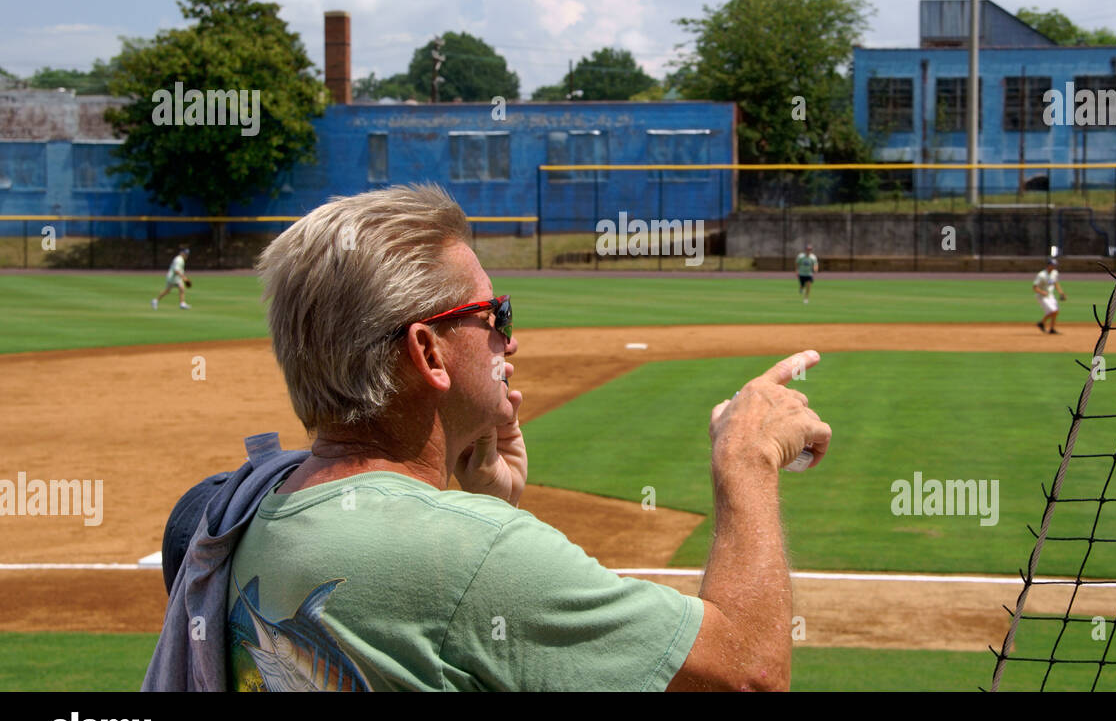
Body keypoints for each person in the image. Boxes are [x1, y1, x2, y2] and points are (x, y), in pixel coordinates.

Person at [142, 184, 831, 692]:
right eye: (494, 314)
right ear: (429, 353)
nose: (511, 337)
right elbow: (751, 671)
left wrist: (481, 505)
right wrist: (748, 456)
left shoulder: (255, 508)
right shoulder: (474, 556)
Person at [1033, 258, 1068, 334]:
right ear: (1048, 265)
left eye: (1055, 265)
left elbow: (1056, 283)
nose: (1054, 266)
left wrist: (1061, 293)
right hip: (1041, 296)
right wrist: (1042, 292)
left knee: (1056, 311)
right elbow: (1034, 287)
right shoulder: (1041, 275)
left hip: (1050, 295)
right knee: (1053, 311)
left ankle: (1051, 328)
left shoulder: (1054, 273)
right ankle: (1041, 323)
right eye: (1052, 265)